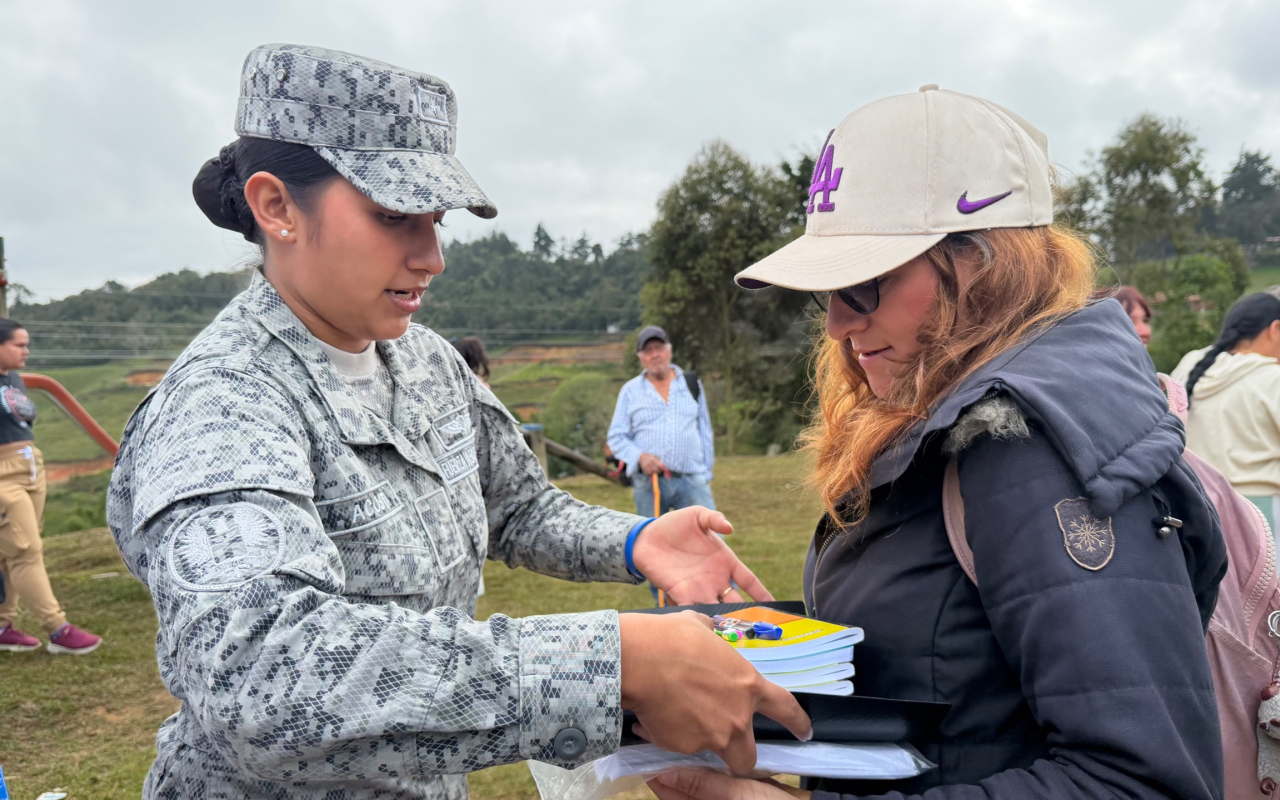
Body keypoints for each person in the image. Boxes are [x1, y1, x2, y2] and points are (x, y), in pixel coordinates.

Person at [107, 44, 809, 800]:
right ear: (277, 206)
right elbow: (261, 674)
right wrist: (613, 660)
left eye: (435, 221)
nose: (431, 256)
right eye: (394, 217)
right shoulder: (225, 400)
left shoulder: (425, 363)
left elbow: (515, 505)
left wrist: (637, 540)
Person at [649, 87, 1225, 800]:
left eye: (860, 284)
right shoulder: (946, 423)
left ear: (984, 262)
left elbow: (1144, 780)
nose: (835, 324)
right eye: (825, 291)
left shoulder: (1030, 455)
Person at [0, 320, 103, 655]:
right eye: (19, 344)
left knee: (10, 553)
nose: (26, 351)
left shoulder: (12, 378)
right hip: (3, 476)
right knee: (25, 551)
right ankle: (57, 629)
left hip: (30, 466)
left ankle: (2, 625)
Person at [1180, 293, 1280, 533]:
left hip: (1197, 513)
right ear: (1275, 329)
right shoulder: (1272, 379)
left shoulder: (1190, 366)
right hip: (1262, 516)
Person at [608, 325, 716, 518]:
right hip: (649, 484)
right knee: (654, 544)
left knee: (708, 540)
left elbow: (705, 430)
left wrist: (705, 474)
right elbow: (616, 437)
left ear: (669, 350)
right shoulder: (630, 391)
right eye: (648, 351)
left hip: (691, 480)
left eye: (659, 348)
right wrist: (641, 458)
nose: (655, 355)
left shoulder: (691, 383)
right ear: (640, 357)